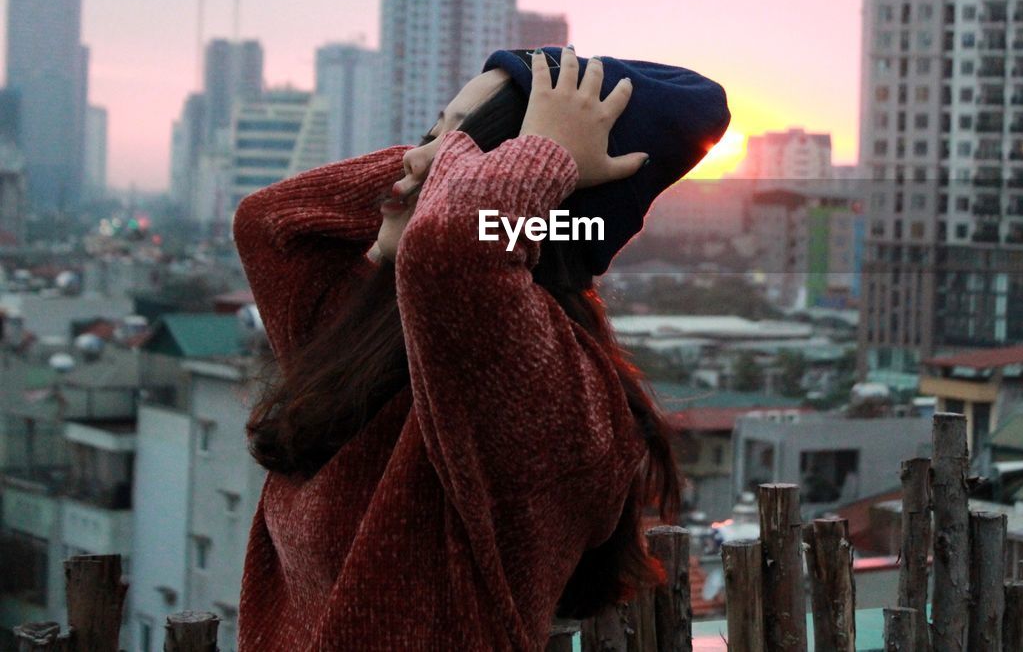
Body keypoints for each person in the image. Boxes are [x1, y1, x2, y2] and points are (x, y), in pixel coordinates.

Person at [233, 46, 730, 650]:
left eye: (469, 148)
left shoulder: (560, 389)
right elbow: (272, 222)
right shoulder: (367, 341)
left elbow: (453, 246)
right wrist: (455, 152)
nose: (415, 160)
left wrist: (548, 157)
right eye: (430, 133)